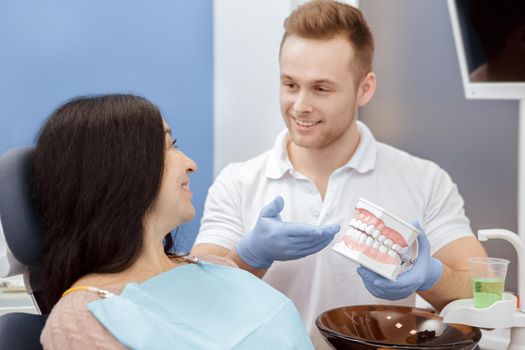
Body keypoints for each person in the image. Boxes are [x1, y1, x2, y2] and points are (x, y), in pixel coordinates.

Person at [192, 1, 487, 348]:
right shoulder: (238, 183)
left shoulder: (424, 180)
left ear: (365, 88)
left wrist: (430, 278)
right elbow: (198, 301)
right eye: (290, 84)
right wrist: (249, 259)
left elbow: (482, 289)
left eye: (321, 89)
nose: (300, 104)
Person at [36, 94, 329, 349]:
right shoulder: (83, 316)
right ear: (121, 171)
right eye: (168, 146)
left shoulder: (205, 268)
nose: (190, 162)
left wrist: (252, 256)